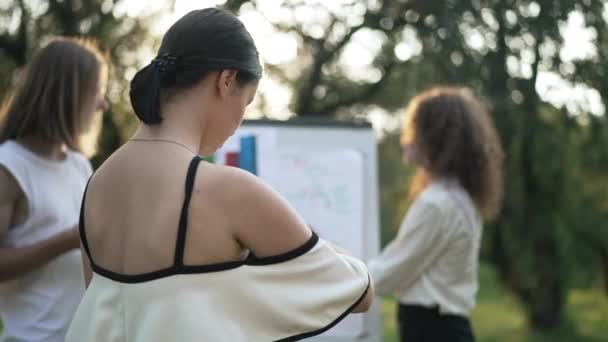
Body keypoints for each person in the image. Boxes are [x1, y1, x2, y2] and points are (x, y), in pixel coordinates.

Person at [66, 8, 373, 342]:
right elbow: (358, 291)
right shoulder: (228, 190)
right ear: (227, 81)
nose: (241, 117)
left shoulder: (96, 184)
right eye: (248, 100)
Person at [368, 87, 504, 342]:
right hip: (446, 326)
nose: (406, 139)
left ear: (433, 138)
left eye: (414, 129)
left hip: (431, 328)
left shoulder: (436, 203)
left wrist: (331, 271)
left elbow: (389, 273)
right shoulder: (461, 196)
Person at [0, 37, 108, 342]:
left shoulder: (79, 164)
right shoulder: (9, 165)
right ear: (66, 95)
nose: (103, 103)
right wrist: (67, 241)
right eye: (96, 91)